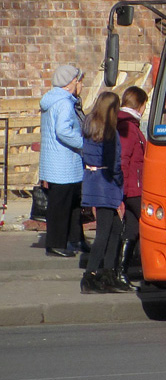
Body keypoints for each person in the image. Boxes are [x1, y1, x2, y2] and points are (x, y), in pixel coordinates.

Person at [80, 91, 129, 293]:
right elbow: (114, 164)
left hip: (93, 181)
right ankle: (90, 275)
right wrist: (120, 183)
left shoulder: (90, 128)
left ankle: (108, 272)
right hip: (107, 183)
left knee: (116, 228)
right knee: (104, 233)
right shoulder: (110, 133)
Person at [38, 64, 87, 258]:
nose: (80, 84)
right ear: (70, 83)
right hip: (64, 163)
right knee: (61, 205)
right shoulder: (64, 103)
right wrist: (83, 143)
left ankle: (75, 238)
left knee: (73, 204)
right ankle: (56, 243)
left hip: (58, 162)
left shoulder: (52, 100)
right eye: (78, 81)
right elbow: (63, 130)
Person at [116, 86, 148, 289]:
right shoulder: (127, 126)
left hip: (132, 187)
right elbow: (123, 160)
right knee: (151, 225)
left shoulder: (129, 125)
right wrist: (121, 192)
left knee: (133, 230)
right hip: (132, 189)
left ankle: (122, 272)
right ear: (140, 104)